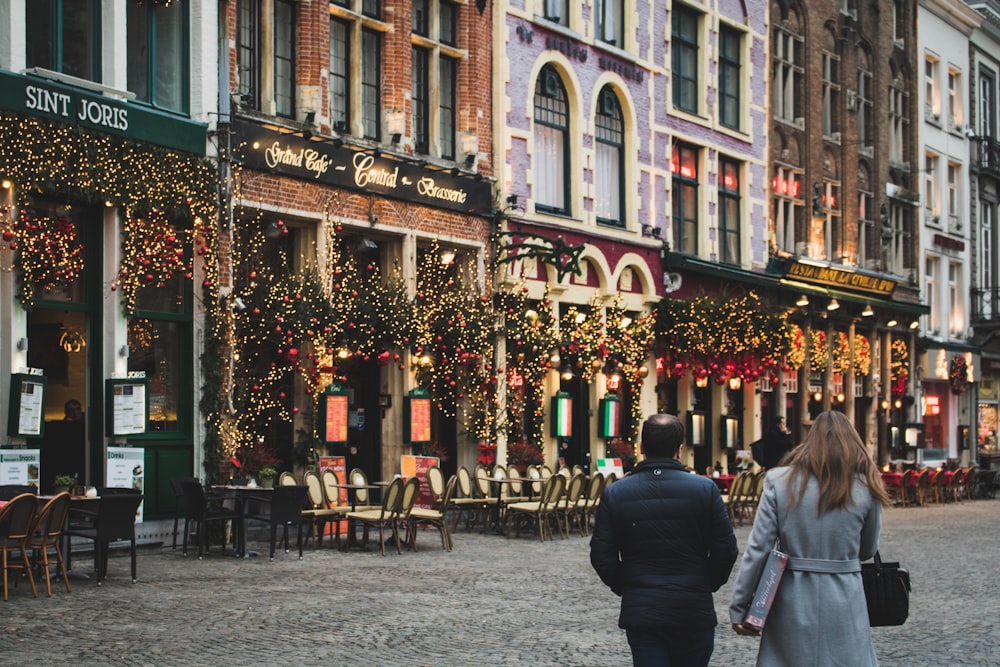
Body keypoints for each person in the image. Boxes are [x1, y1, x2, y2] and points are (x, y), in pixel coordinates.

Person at [729, 410, 890, 666]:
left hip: (792, 595)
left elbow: (758, 549)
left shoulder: (778, 481)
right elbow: (867, 549)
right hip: (845, 596)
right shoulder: (866, 486)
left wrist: (740, 605)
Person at [590, 413, 739, 667]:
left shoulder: (616, 493)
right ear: (680, 450)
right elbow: (725, 549)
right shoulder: (704, 489)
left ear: (641, 448)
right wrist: (705, 583)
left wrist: (628, 586)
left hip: (644, 611)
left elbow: (602, 556)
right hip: (692, 607)